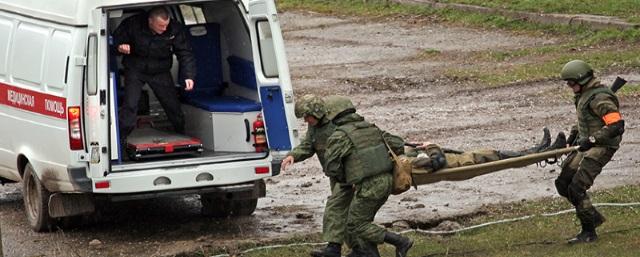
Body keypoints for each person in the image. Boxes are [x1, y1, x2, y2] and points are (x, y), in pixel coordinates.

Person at [324, 97, 412, 257]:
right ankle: (368, 253)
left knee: (356, 225)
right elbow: (398, 144)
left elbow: (331, 167)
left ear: (333, 116)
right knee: (362, 219)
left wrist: (346, 179)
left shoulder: (339, 136)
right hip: (387, 182)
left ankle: (400, 241)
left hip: (369, 187)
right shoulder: (371, 128)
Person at [555, 60, 625, 244]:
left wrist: (592, 140)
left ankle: (588, 232)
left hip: (602, 146)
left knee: (577, 188)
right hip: (587, 144)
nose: (570, 87)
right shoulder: (584, 95)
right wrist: (573, 136)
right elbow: (584, 119)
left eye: (571, 83)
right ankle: (592, 215)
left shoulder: (600, 99)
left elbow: (617, 125)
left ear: (582, 79)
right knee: (563, 183)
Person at [113, 6, 196, 145]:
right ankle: (121, 140)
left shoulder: (174, 28)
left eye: (166, 25)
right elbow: (113, 41)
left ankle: (181, 133)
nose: (164, 29)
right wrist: (119, 47)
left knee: (172, 106)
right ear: (150, 21)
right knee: (130, 105)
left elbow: (185, 52)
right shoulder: (132, 24)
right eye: (161, 26)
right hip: (135, 68)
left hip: (160, 70)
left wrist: (189, 75)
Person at [281, 95, 350, 257]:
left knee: (337, 210)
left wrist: (355, 178)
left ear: (317, 113)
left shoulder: (337, 123)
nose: (306, 120)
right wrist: (293, 156)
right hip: (336, 176)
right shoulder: (315, 128)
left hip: (350, 176)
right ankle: (356, 249)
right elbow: (308, 145)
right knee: (343, 212)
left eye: (307, 116)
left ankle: (336, 249)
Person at [408, 127, 566, 172]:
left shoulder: (403, 157)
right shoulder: (407, 162)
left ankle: (540, 149)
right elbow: (438, 162)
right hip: (465, 163)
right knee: (499, 156)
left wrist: (418, 147)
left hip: (462, 157)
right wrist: (430, 146)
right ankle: (546, 151)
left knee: (499, 153)